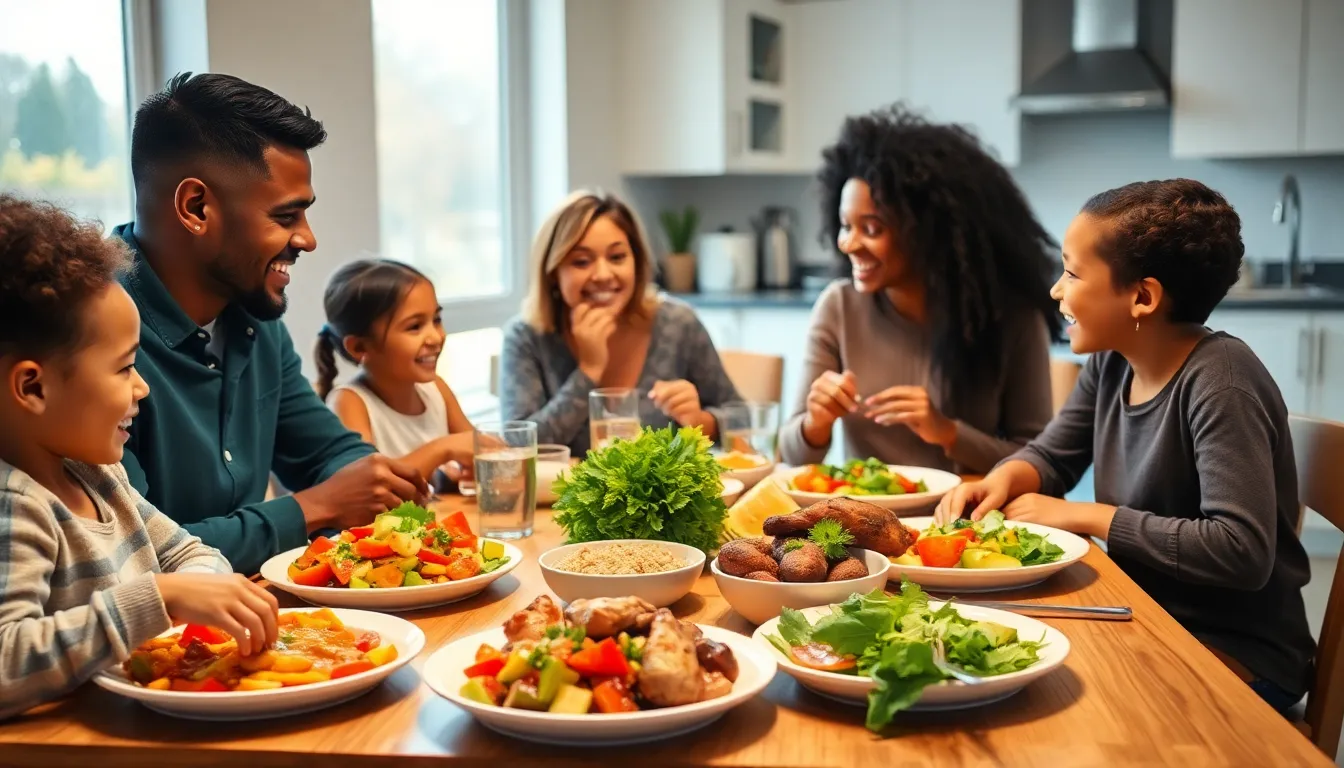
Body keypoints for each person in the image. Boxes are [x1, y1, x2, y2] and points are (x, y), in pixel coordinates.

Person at [936, 179, 1316, 714]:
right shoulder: (1114, 363)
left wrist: (1091, 517)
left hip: (1240, 653)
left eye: (1071, 271)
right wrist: (1004, 477)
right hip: (1147, 612)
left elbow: (1242, 551)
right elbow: (1052, 456)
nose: (1055, 290)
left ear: (1142, 296)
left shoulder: (1222, 382)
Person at [113, 73, 427, 575]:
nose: (308, 239)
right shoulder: (86, 331)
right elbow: (134, 554)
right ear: (196, 208)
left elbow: (323, 450)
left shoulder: (251, 312)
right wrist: (315, 507)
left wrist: (369, 483)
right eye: (286, 217)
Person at [0, 196, 279, 719]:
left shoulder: (99, 477)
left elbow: (187, 555)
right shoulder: (15, 505)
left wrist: (196, 592)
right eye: (125, 367)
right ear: (33, 387)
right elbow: (6, 661)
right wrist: (161, 599)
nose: (143, 387)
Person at [779, 105, 1059, 474]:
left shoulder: (1013, 320)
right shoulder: (839, 307)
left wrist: (948, 433)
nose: (848, 243)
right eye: (846, 225)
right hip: (867, 521)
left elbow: (1041, 466)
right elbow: (791, 457)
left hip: (967, 524)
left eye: (872, 228)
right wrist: (814, 424)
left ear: (929, 231)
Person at [501, 189, 742, 454]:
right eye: (581, 262)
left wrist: (700, 421)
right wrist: (589, 371)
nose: (603, 274)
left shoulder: (677, 324)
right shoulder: (526, 337)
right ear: (552, 273)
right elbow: (516, 447)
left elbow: (744, 420)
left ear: (637, 263)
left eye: (617, 257)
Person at [315, 259, 475, 486]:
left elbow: (475, 450)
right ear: (360, 347)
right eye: (414, 327)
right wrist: (443, 450)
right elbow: (370, 485)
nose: (436, 337)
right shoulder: (349, 402)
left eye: (436, 320)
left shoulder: (436, 389)